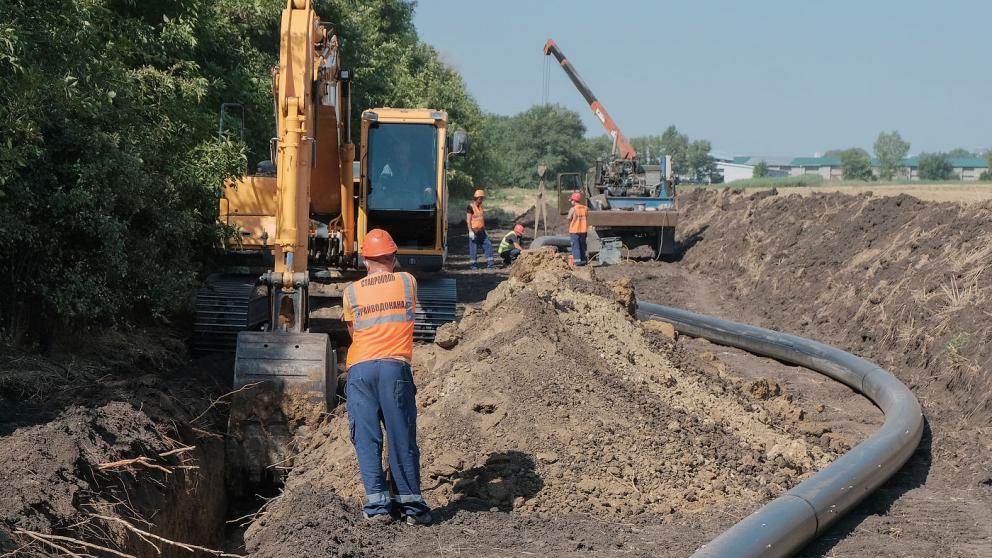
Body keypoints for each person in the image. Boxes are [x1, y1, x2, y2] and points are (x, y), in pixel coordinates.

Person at [342, 229, 432, 526]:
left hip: (360, 370)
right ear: (393, 258)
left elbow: (354, 333)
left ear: (365, 259)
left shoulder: (350, 292)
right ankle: (412, 509)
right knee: (400, 436)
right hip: (394, 369)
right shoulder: (407, 282)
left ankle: (378, 508)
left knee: (367, 439)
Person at [466, 189, 494, 269]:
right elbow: (468, 220)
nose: (481, 200)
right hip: (474, 231)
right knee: (473, 248)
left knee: (488, 245)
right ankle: (473, 265)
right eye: (480, 198)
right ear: (476, 198)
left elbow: (481, 220)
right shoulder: (470, 207)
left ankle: (491, 265)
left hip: (482, 231)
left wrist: (484, 230)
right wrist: (470, 231)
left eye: (482, 198)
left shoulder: (480, 207)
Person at [567, 191, 588, 266]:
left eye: (571, 200)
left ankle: (577, 261)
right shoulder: (585, 208)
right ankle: (583, 260)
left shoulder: (573, 209)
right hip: (583, 231)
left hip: (575, 231)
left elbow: (569, 218)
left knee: (575, 246)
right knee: (582, 246)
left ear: (574, 201)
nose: (571, 202)